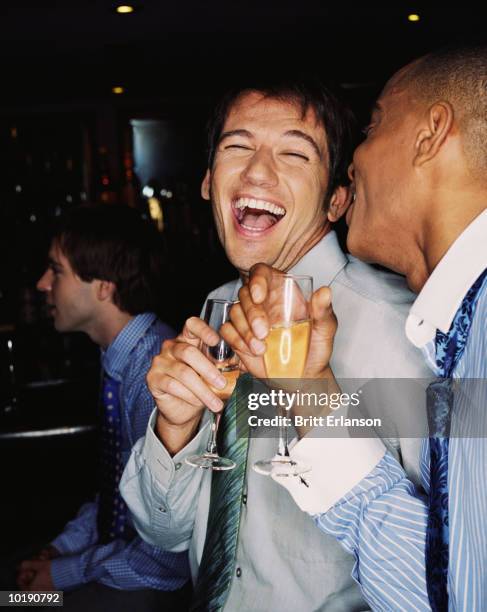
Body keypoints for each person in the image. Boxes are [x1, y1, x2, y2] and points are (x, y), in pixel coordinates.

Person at [120, 77, 432, 611]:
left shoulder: (406, 333)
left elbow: (447, 575)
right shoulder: (215, 309)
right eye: (236, 147)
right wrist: (175, 429)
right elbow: (164, 535)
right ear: (207, 181)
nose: (257, 171)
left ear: (337, 199)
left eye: (293, 153)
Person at [232, 45, 487, 611]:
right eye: (235, 146)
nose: (355, 162)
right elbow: (449, 590)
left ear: (431, 134)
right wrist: (309, 389)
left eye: (371, 127)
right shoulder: (458, 330)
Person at [18, 205, 190, 611]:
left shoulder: (154, 372)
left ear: (103, 287)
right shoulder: (120, 355)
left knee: (14, 600)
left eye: (56, 271)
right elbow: (117, 490)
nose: (43, 284)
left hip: (154, 587)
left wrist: (63, 572)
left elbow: (166, 558)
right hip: (120, 563)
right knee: (14, 584)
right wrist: (60, 551)